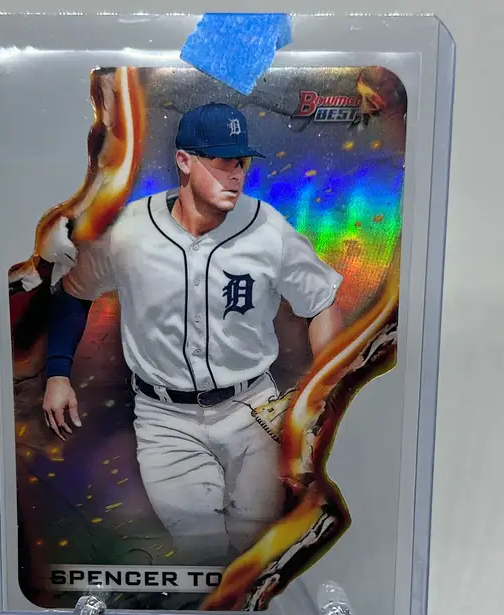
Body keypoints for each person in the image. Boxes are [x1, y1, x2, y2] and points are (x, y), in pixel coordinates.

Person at [41, 102, 346, 563]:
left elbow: (321, 301)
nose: (235, 175)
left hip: (254, 411)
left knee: (253, 555)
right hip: (165, 421)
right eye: (221, 162)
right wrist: (57, 371)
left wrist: (322, 389)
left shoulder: (268, 228)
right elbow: (74, 291)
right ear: (184, 161)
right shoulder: (129, 233)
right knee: (202, 552)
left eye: (240, 162)